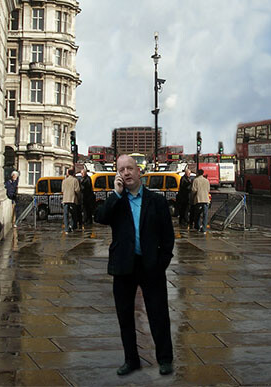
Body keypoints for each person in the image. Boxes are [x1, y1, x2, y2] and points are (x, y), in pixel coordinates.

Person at [95, 154, 174, 376]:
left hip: (151, 266)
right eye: (121, 170)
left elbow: (168, 237)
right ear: (117, 174)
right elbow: (100, 217)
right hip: (123, 267)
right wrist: (116, 194)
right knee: (125, 316)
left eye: (130, 168)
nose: (126, 173)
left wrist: (162, 264)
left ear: (139, 172)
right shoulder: (116, 201)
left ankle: (165, 359)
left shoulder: (156, 201)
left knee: (159, 315)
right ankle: (131, 360)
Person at [61, 169, 80, 233]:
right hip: (73, 199)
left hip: (65, 199)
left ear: (68, 173)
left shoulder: (64, 181)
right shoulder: (75, 180)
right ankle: (73, 226)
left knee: (65, 215)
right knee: (73, 214)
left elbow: (62, 190)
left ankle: (66, 228)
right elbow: (77, 190)